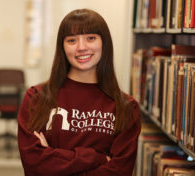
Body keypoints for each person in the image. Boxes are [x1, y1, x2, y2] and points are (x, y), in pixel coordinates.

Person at [17, 8, 141, 176]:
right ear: (63, 46)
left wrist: (54, 158)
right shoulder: (36, 98)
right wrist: (97, 158)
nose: (81, 47)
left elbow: (119, 171)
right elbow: (34, 165)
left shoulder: (126, 107)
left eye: (91, 38)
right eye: (72, 40)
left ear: (104, 43)